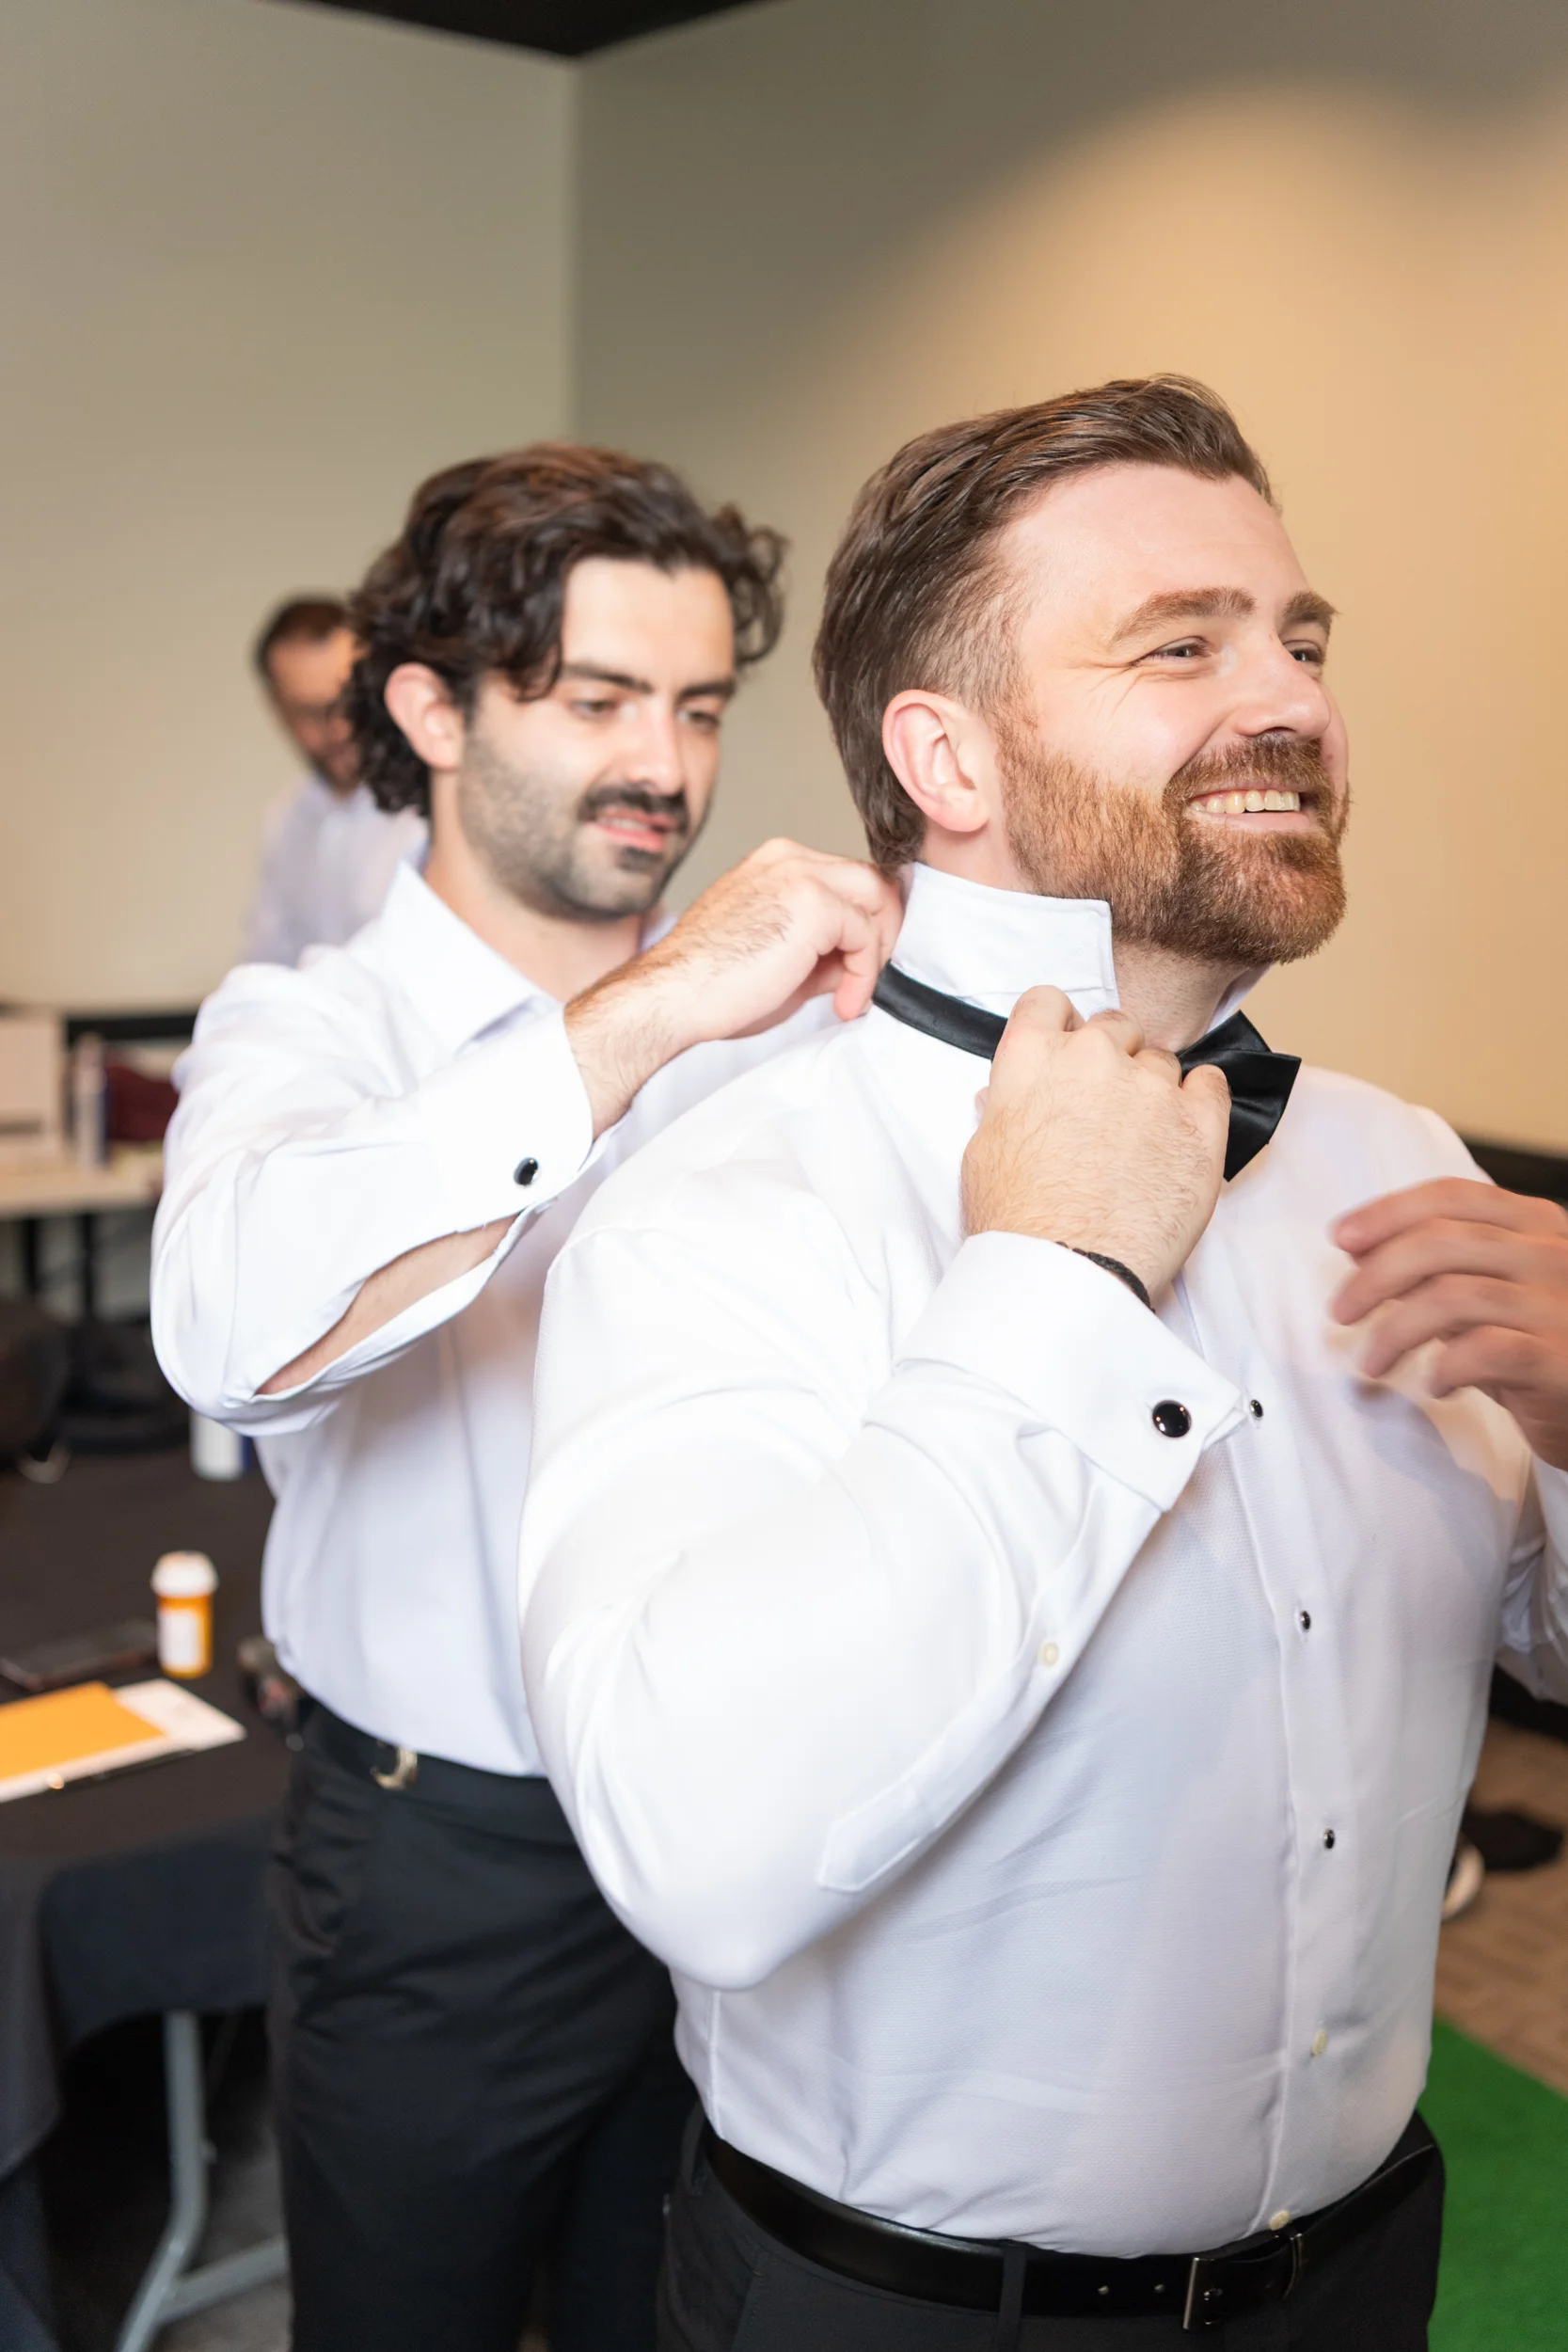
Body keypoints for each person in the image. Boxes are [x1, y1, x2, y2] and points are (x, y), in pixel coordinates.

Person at [518, 379, 1568, 2351]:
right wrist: (1056, 1274)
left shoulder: (1397, 1156)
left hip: (1359, 2265)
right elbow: (700, 1850)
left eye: (1298, 637)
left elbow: (1542, 1646)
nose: (1287, 700)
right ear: (943, 753)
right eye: (1179, 643)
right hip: (903, 2309)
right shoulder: (728, 1199)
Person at [151, 445, 900, 2352]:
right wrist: (653, 1011)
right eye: (593, 701)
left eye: (698, 703)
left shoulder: (788, 1039)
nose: (663, 762)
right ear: (428, 705)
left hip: (741, 1852)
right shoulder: (309, 1027)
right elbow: (235, 1329)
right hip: (439, 1868)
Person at [243, 595, 425, 964]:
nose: (340, 728)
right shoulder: (287, 820)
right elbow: (269, 962)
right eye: (313, 712)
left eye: (348, 701)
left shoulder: (428, 808)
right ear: (277, 709)